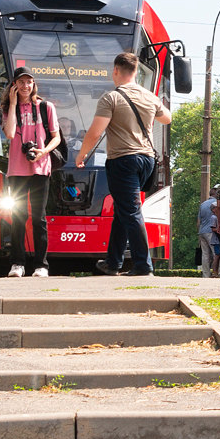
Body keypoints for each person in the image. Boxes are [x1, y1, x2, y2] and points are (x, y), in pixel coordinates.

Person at [75, 52, 171, 277]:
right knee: (122, 210)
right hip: (147, 159)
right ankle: (113, 261)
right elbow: (167, 118)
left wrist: (82, 155)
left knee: (130, 211)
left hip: (124, 160)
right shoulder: (149, 97)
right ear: (136, 72)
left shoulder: (112, 98)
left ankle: (142, 265)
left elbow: (95, 132)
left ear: (116, 71)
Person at [1, 67, 60, 277]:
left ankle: (41, 265)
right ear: (14, 85)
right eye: (21, 82)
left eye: (29, 82)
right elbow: (9, 134)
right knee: (17, 217)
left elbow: (56, 137)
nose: (25, 86)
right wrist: (14, 103)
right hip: (17, 168)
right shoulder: (10, 109)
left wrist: (43, 151)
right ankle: (17, 263)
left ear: (34, 84)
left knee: (39, 218)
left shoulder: (46, 107)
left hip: (40, 167)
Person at [198, 186, 219, 276]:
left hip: (202, 231)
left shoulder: (202, 204)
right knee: (216, 253)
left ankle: (205, 275)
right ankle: (218, 272)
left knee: (205, 255)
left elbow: (198, 221)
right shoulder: (215, 204)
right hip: (211, 232)